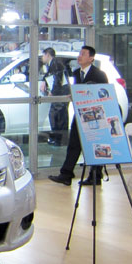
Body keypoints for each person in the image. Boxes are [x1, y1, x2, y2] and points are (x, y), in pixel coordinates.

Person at [48, 45, 109, 187]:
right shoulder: (76, 73)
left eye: (83, 54)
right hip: (80, 114)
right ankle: (66, 174)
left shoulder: (99, 75)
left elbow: (103, 95)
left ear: (91, 58)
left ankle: (95, 175)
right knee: (74, 143)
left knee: (95, 145)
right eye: (79, 53)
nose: (79, 56)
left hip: (94, 116)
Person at [40, 48, 69, 146]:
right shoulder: (53, 64)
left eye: (43, 55)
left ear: (47, 55)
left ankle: (59, 140)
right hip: (60, 94)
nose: (42, 58)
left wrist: (53, 92)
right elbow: (49, 74)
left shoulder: (56, 63)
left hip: (60, 95)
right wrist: (44, 80)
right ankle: (57, 139)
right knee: (56, 116)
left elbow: (58, 79)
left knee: (57, 117)